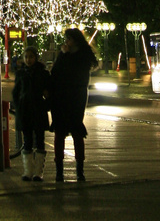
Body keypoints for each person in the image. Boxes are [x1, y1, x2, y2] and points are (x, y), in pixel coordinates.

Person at [49, 27, 98, 182]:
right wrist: (63, 55)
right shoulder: (64, 55)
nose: (67, 42)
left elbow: (77, 73)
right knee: (59, 132)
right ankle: (59, 171)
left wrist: (66, 57)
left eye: (69, 39)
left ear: (75, 40)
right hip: (61, 96)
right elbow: (55, 72)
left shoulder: (83, 56)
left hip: (76, 95)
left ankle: (80, 169)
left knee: (77, 129)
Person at [12, 46, 51, 182]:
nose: (29, 60)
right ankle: (28, 171)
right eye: (26, 57)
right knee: (27, 140)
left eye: (31, 57)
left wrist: (45, 104)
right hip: (25, 110)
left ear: (36, 58)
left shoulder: (43, 73)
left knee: (40, 140)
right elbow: (16, 92)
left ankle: (38, 172)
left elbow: (49, 92)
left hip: (38, 109)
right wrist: (18, 106)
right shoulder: (21, 73)